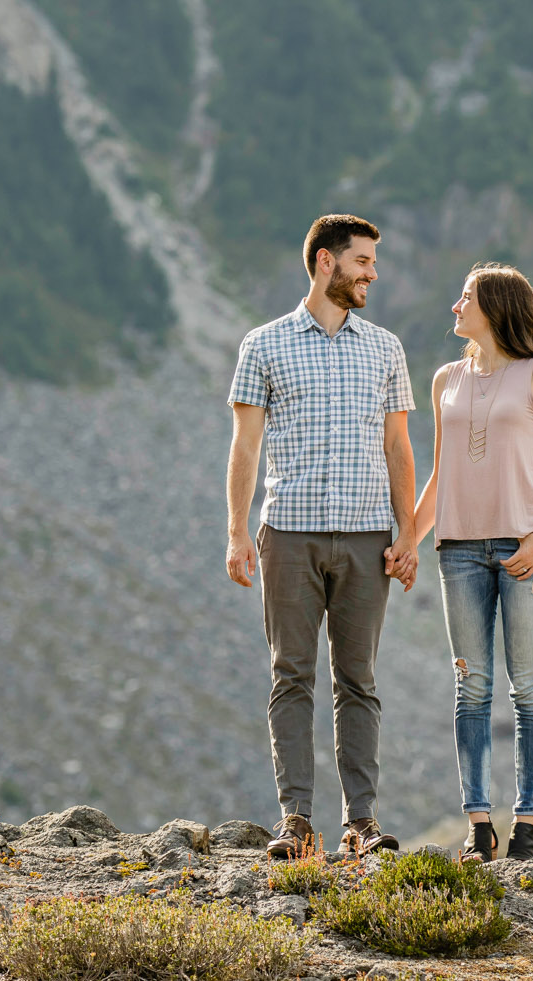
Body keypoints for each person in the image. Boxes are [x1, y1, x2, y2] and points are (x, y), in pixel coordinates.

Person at [225, 214, 418, 860]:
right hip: (290, 535)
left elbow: (398, 446)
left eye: (372, 261)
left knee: (358, 679)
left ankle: (361, 822)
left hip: (369, 538)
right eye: (362, 260)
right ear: (325, 262)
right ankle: (296, 819)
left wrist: (410, 532)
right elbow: (245, 446)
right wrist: (237, 531)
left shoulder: (386, 348)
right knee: (292, 675)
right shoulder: (264, 344)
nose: (372, 272)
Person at [404, 262, 533, 863]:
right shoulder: (445, 379)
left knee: (527, 690)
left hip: (523, 547)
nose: (455, 306)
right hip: (457, 550)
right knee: (470, 687)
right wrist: (408, 540)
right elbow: (440, 473)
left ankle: (526, 825)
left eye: (466, 297)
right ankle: (479, 826)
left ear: (495, 307)